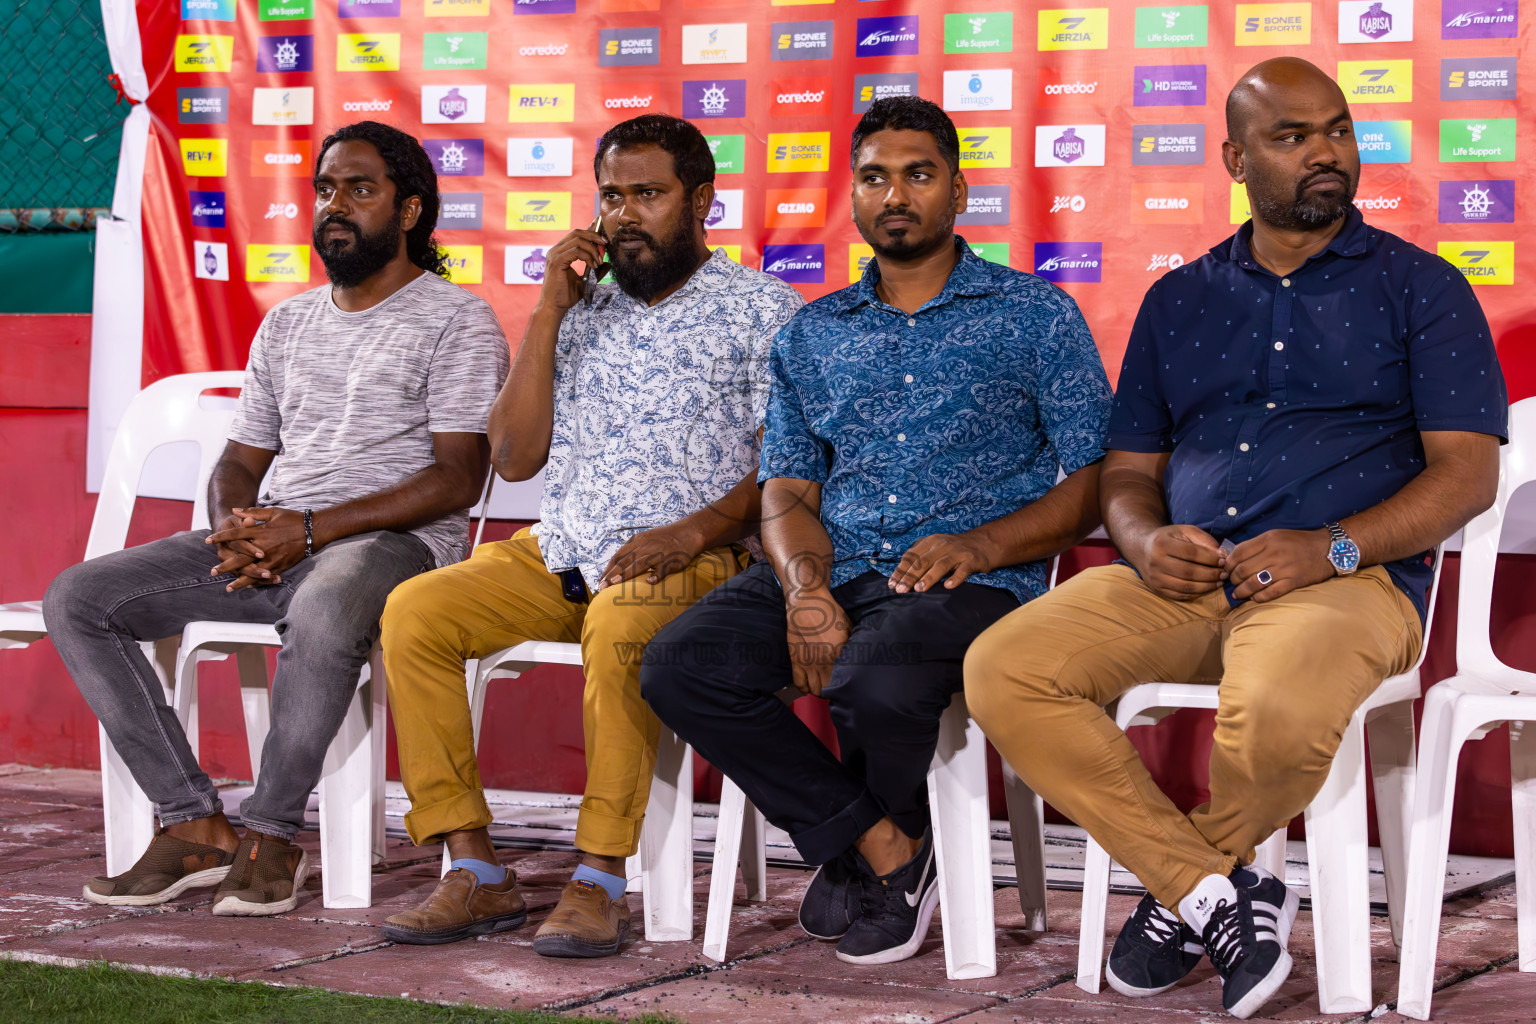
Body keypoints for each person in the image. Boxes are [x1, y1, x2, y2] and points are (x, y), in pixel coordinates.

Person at [964, 58, 1507, 1020]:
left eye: (1335, 130)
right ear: (1234, 158)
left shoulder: (1423, 288)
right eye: (1291, 137)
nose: (1325, 153)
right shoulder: (1180, 302)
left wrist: (1331, 547)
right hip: (1186, 575)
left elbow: (1466, 474)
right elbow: (1127, 474)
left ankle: (1184, 891)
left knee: (1278, 712)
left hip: (1348, 582)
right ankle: (1218, 895)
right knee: (1005, 664)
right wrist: (1140, 538)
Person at [638, 96, 1113, 966]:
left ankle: (864, 849)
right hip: (839, 560)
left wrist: (983, 545)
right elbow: (786, 484)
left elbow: (1095, 481)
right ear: (852, 198)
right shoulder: (813, 333)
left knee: (874, 678)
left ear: (958, 191)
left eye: (918, 174)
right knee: (679, 666)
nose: (895, 194)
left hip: (972, 582)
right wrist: (804, 589)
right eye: (874, 177)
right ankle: (884, 847)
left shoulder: (1035, 316)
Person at [45, 121, 509, 915]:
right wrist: (235, 531)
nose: (335, 205)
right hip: (280, 541)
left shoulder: (456, 320)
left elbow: (457, 480)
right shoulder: (288, 323)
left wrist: (310, 527)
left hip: (388, 545)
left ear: (409, 212)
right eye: (326, 188)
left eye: (360, 189)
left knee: (327, 606)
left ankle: (272, 834)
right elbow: (239, 462)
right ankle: (194, 823)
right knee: (79, 598)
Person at [378, 114, 804, 957]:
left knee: (619, 629)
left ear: (702, 202)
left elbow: (787, 467)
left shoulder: (764, 308)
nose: (624, 215)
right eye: (611, 196)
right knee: (415, 611)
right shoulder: (580, 313)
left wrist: (690, 532)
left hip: (698, 555)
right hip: (562, 548)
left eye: (648, 194)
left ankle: (600, 876)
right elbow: (512, 452)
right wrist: (548, 310)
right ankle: (474, 867)